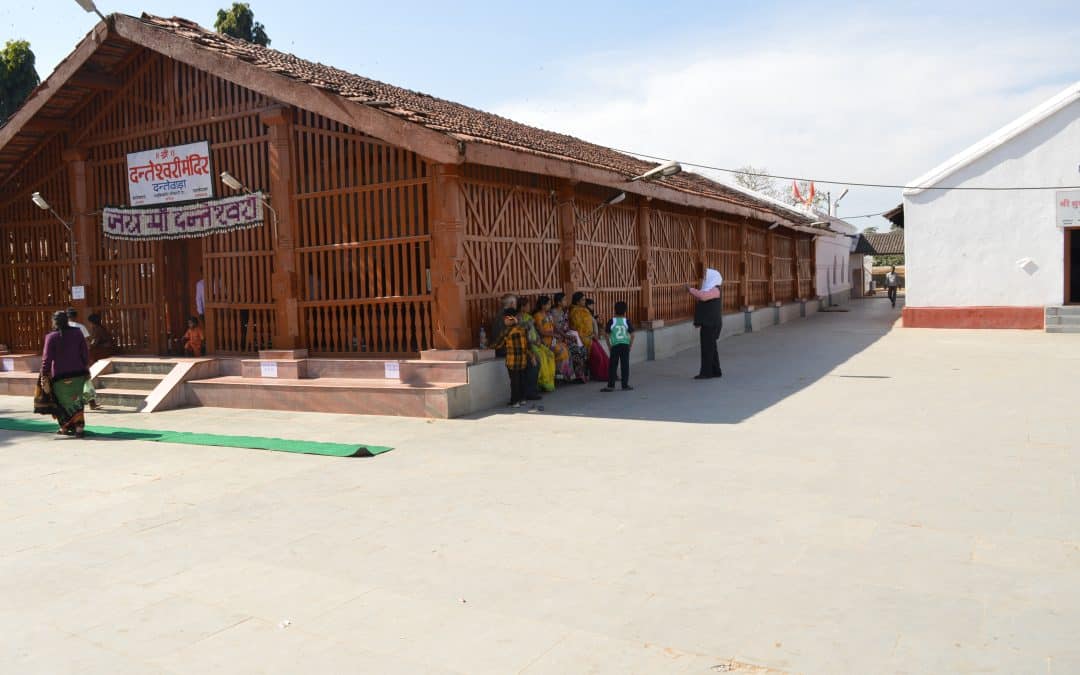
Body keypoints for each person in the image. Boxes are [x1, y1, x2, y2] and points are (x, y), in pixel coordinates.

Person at [40, 310, 90, 438]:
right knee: (77, 401)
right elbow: (84, 352)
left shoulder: (51, 337)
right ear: (67, 320)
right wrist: (86, 367)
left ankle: (64, 427)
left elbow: (46, 359)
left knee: (61, 402)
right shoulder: (77, 333)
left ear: (54, 322)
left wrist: (44, 374)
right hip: (78, 373)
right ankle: (79, 428)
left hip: (59, 376)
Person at [488, 308, 535, 408]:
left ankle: (515, 401)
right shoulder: (523, 330)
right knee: (521, 380)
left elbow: (498, 344)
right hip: (523, 360)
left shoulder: (507, 331)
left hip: (512, 361)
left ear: (509, 319)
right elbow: (528, 345)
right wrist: (532, 356)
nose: (504, 321)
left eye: (505, 319)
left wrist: (488, 347)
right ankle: (522, 399)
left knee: (514, 382)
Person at [688, 268, 724, 380]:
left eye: (706, 276)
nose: (704, 278)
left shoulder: (715, 290)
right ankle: (715, 370)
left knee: (707, 349)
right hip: (709, 323)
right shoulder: (710, 289)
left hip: (711, 324)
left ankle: (706, 373)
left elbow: (703, 296)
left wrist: (691, 290)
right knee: (712, 348)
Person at [533, 295, 571, 381]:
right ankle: (558, 374)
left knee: (565, 348)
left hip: (553, 340)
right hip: (544, 341)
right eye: (548, 304)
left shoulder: (549, 315)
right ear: (543, 305)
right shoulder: (538, 316)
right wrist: (553, 335)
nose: (550, 306)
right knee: (560, 350)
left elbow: (555, 327)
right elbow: (541, 331)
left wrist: (565, 336)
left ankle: (563, 374)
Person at [601, 300, 634, 392]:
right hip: (625, 345)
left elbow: (606, 334)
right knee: (625, 365)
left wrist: (609, 345)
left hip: (615, 345)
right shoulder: (626, 321)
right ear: (625, 311)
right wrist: (630, 345)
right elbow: (633, 334)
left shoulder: (612, 321)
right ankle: (625, 385)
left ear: (614, 310)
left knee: (612, 366)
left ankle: (611, 386)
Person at [555, 292, 589, 382]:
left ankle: (581, 374)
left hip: (567, 336)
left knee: (583, 350)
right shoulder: (554, 313)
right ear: (559, 302)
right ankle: (576, 376)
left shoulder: (564, 311)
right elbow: (556, 329)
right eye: (564, 300)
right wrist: (567, 336)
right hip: (559, 338)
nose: (566, 301)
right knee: (576, 350)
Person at [515, 297, 544, 401]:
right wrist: (533, 344)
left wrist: (538, 340)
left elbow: (534, 332)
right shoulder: (518, 318)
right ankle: (530, 392)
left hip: (531, 344)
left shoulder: (529, 317)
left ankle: (534, 389)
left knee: (541, 359)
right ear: (522, 307)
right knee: (535, 363)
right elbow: (524, 335)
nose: (529, 307)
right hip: (524, 346)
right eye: (527, 305)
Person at [86, 313, 113, 411]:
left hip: (103, 349)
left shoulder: (97, 329)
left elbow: (95, 342)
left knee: (90, 352)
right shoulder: (99, 327)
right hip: (104, 348)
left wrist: (89, 346)